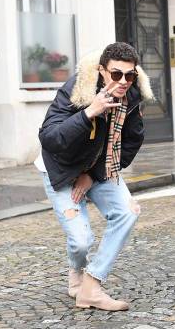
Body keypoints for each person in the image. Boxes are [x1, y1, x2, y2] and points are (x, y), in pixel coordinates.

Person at [35, 42, 153, 311]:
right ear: (102, 71)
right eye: (116, 74)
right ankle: (76, 271)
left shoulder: (132, 96)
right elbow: (50, 138)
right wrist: (90, 112)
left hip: (98, 167)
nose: (123, 81)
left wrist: (92, 175)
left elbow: (133, 141)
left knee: (128, 211)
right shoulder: (76, 90)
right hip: (61, 168)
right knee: (81, 241)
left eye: (130, 75)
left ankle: (91, 284)